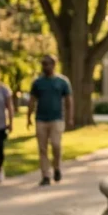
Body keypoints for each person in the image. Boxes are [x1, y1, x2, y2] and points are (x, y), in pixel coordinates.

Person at [27, 56, 73, 186]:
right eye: (43, 64)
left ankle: (57, 167)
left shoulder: (62, 81)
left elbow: (69, 100)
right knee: (42, 149)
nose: (44, 66)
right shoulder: (37, 82)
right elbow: (32, 100)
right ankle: (45, 175)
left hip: (57, 118)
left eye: (47, 64)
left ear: (54, 64)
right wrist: (29, 116)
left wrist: (70, 117)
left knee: (56, 145)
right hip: (41, 119)